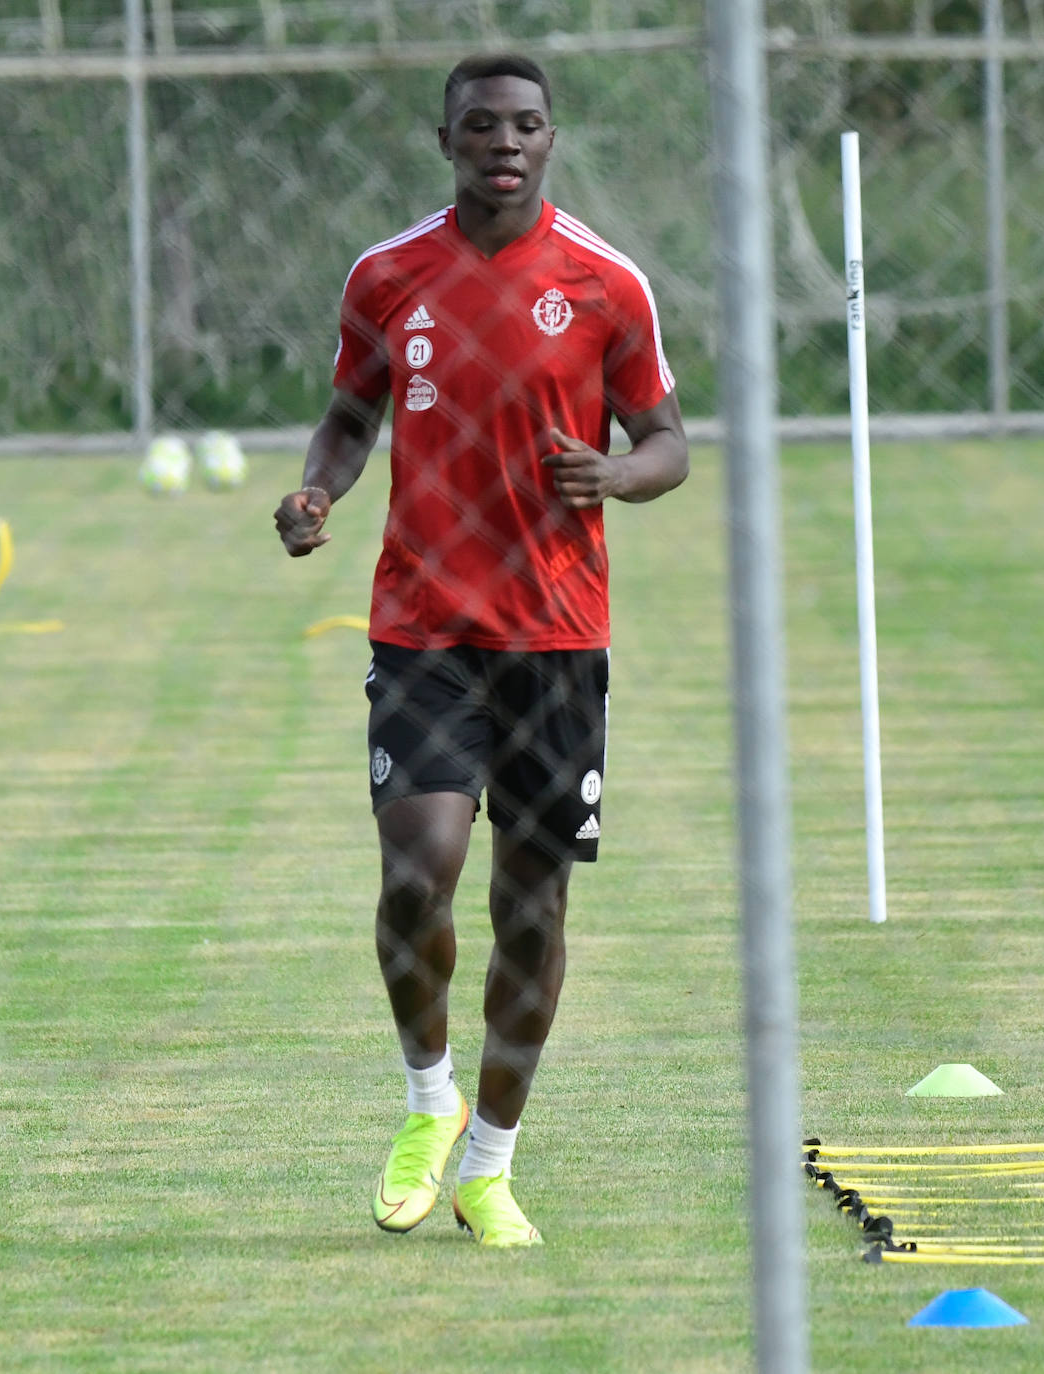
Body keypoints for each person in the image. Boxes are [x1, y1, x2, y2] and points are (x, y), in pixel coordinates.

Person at [274, 52, 687, 1248]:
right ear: (445, 138)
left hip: (556, 638)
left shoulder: (606, 282)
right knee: (418, 873)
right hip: (422, 627)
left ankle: (491, 1168)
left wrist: (616, 473)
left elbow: (667, 439)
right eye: (480, 126)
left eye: (526, 125)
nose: (503, 142)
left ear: (550, 139)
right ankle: (426, 1103)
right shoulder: (388, 275)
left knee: (532, 911)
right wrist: (317, 492)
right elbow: (350, 415)